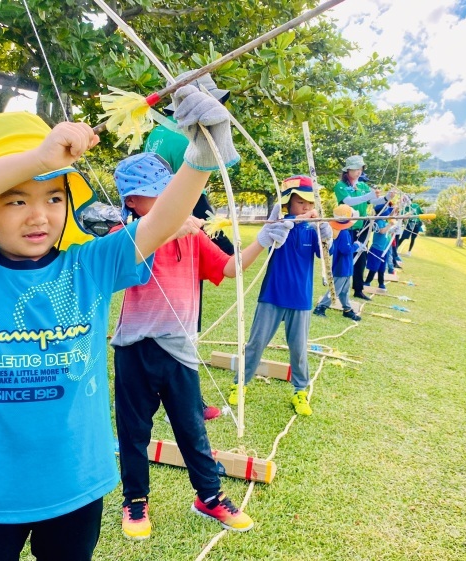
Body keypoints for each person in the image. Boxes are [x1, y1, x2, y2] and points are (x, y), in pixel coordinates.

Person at [0, 83, 237, 561]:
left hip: (78, 485)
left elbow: (160, 221)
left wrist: (201, 156)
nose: (39, 215)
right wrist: (39, 157)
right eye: (14, 200)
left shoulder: (88, 265)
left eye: (53, 196)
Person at [110, 152, 292, 541]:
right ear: (131, 202)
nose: (165, 201)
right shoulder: (121, 236)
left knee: (192, 429)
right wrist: (174, 226)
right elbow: (131, 248)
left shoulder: (193, 237)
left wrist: (262, 240)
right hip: (133, 348)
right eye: (154, 195)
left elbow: (228, 268)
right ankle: (135, 500)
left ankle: (209, 497)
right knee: (133, 430)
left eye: (168, 192)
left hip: (178, 351)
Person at [145, 72, 233, 420]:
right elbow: (198, 195)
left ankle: (173, 400)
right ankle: (183, 404)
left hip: (159, 230)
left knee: (166, 323)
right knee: (182, 321)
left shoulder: (159, 131)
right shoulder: (186, 135)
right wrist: (225, 240)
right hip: (177, 229)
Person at [227, 175, 333, 416]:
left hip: (301, 299)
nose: (306, 208)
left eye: (310, 203)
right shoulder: (279, 224)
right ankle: (239, 384)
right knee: (255, 344)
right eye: (300, 203)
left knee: (298, 349)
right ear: (288, 204)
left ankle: (300, 390)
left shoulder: (312, 228)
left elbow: (324, 255)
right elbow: (278, 233)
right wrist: (295, 219)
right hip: (272, 296)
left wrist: (325, 235)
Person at [333, 155, 388, 301]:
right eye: (355, 169)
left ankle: (358, 289)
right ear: (348, 170)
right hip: (346, 227)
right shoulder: (340, 186)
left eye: (360, 168)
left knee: (361, 258)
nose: (358, 171)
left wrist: (387, 198)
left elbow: (373, 200)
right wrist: (368, 196)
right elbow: (348, 202)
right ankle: (338, 289)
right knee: (345, 257)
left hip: (362, 227)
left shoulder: (363, 186)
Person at [313, 204, 360, 321]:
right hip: (341, 267)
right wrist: (356, 246)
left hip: (346, 267)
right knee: (335, 290)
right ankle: (321, 307)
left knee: (344, 291)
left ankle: (347, 310)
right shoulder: (343, 233)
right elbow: (345, 250)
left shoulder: (343, 231)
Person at [364, 204, 393, 292]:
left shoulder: (383, 221)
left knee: (382, 268)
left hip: (384, 249)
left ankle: (381, 283)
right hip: (377, 249)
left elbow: (391, 216)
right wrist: (390, 225)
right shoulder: (379, 221)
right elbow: (382, 231)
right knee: (374, 267)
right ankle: (367, 282)